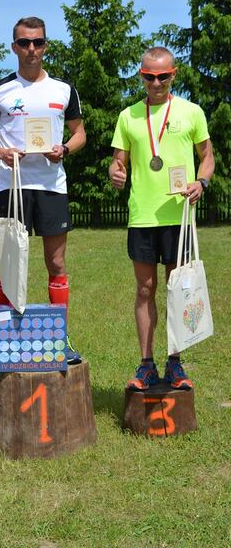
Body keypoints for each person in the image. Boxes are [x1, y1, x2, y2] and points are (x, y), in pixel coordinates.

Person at [0, 16, 86, 363]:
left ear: (45, 46)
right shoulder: (0, 90)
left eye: (37, 42)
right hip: (13, 186)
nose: (31, 49)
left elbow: (80, 134)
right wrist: (1, 152)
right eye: (24, 43)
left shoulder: (63, 90)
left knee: (56, 262)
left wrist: (64, 148)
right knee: (10, 264)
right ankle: (5, 340)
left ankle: (61, 338)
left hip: (52, 185)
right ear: (14, 47)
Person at [109, 46, 215, 391]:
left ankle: (175, 363)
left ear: (174, 74)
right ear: (141, 76)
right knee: (145, 289)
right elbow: (118, 160)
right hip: (142, 216)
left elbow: (207, 156)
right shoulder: (128, 116)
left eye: (163, 76)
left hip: (179, 215)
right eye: (149, 76)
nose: (156, 83)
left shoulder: (191, 112)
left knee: (177, 290)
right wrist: (115, 172)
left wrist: (202, 181)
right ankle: (146, 365)